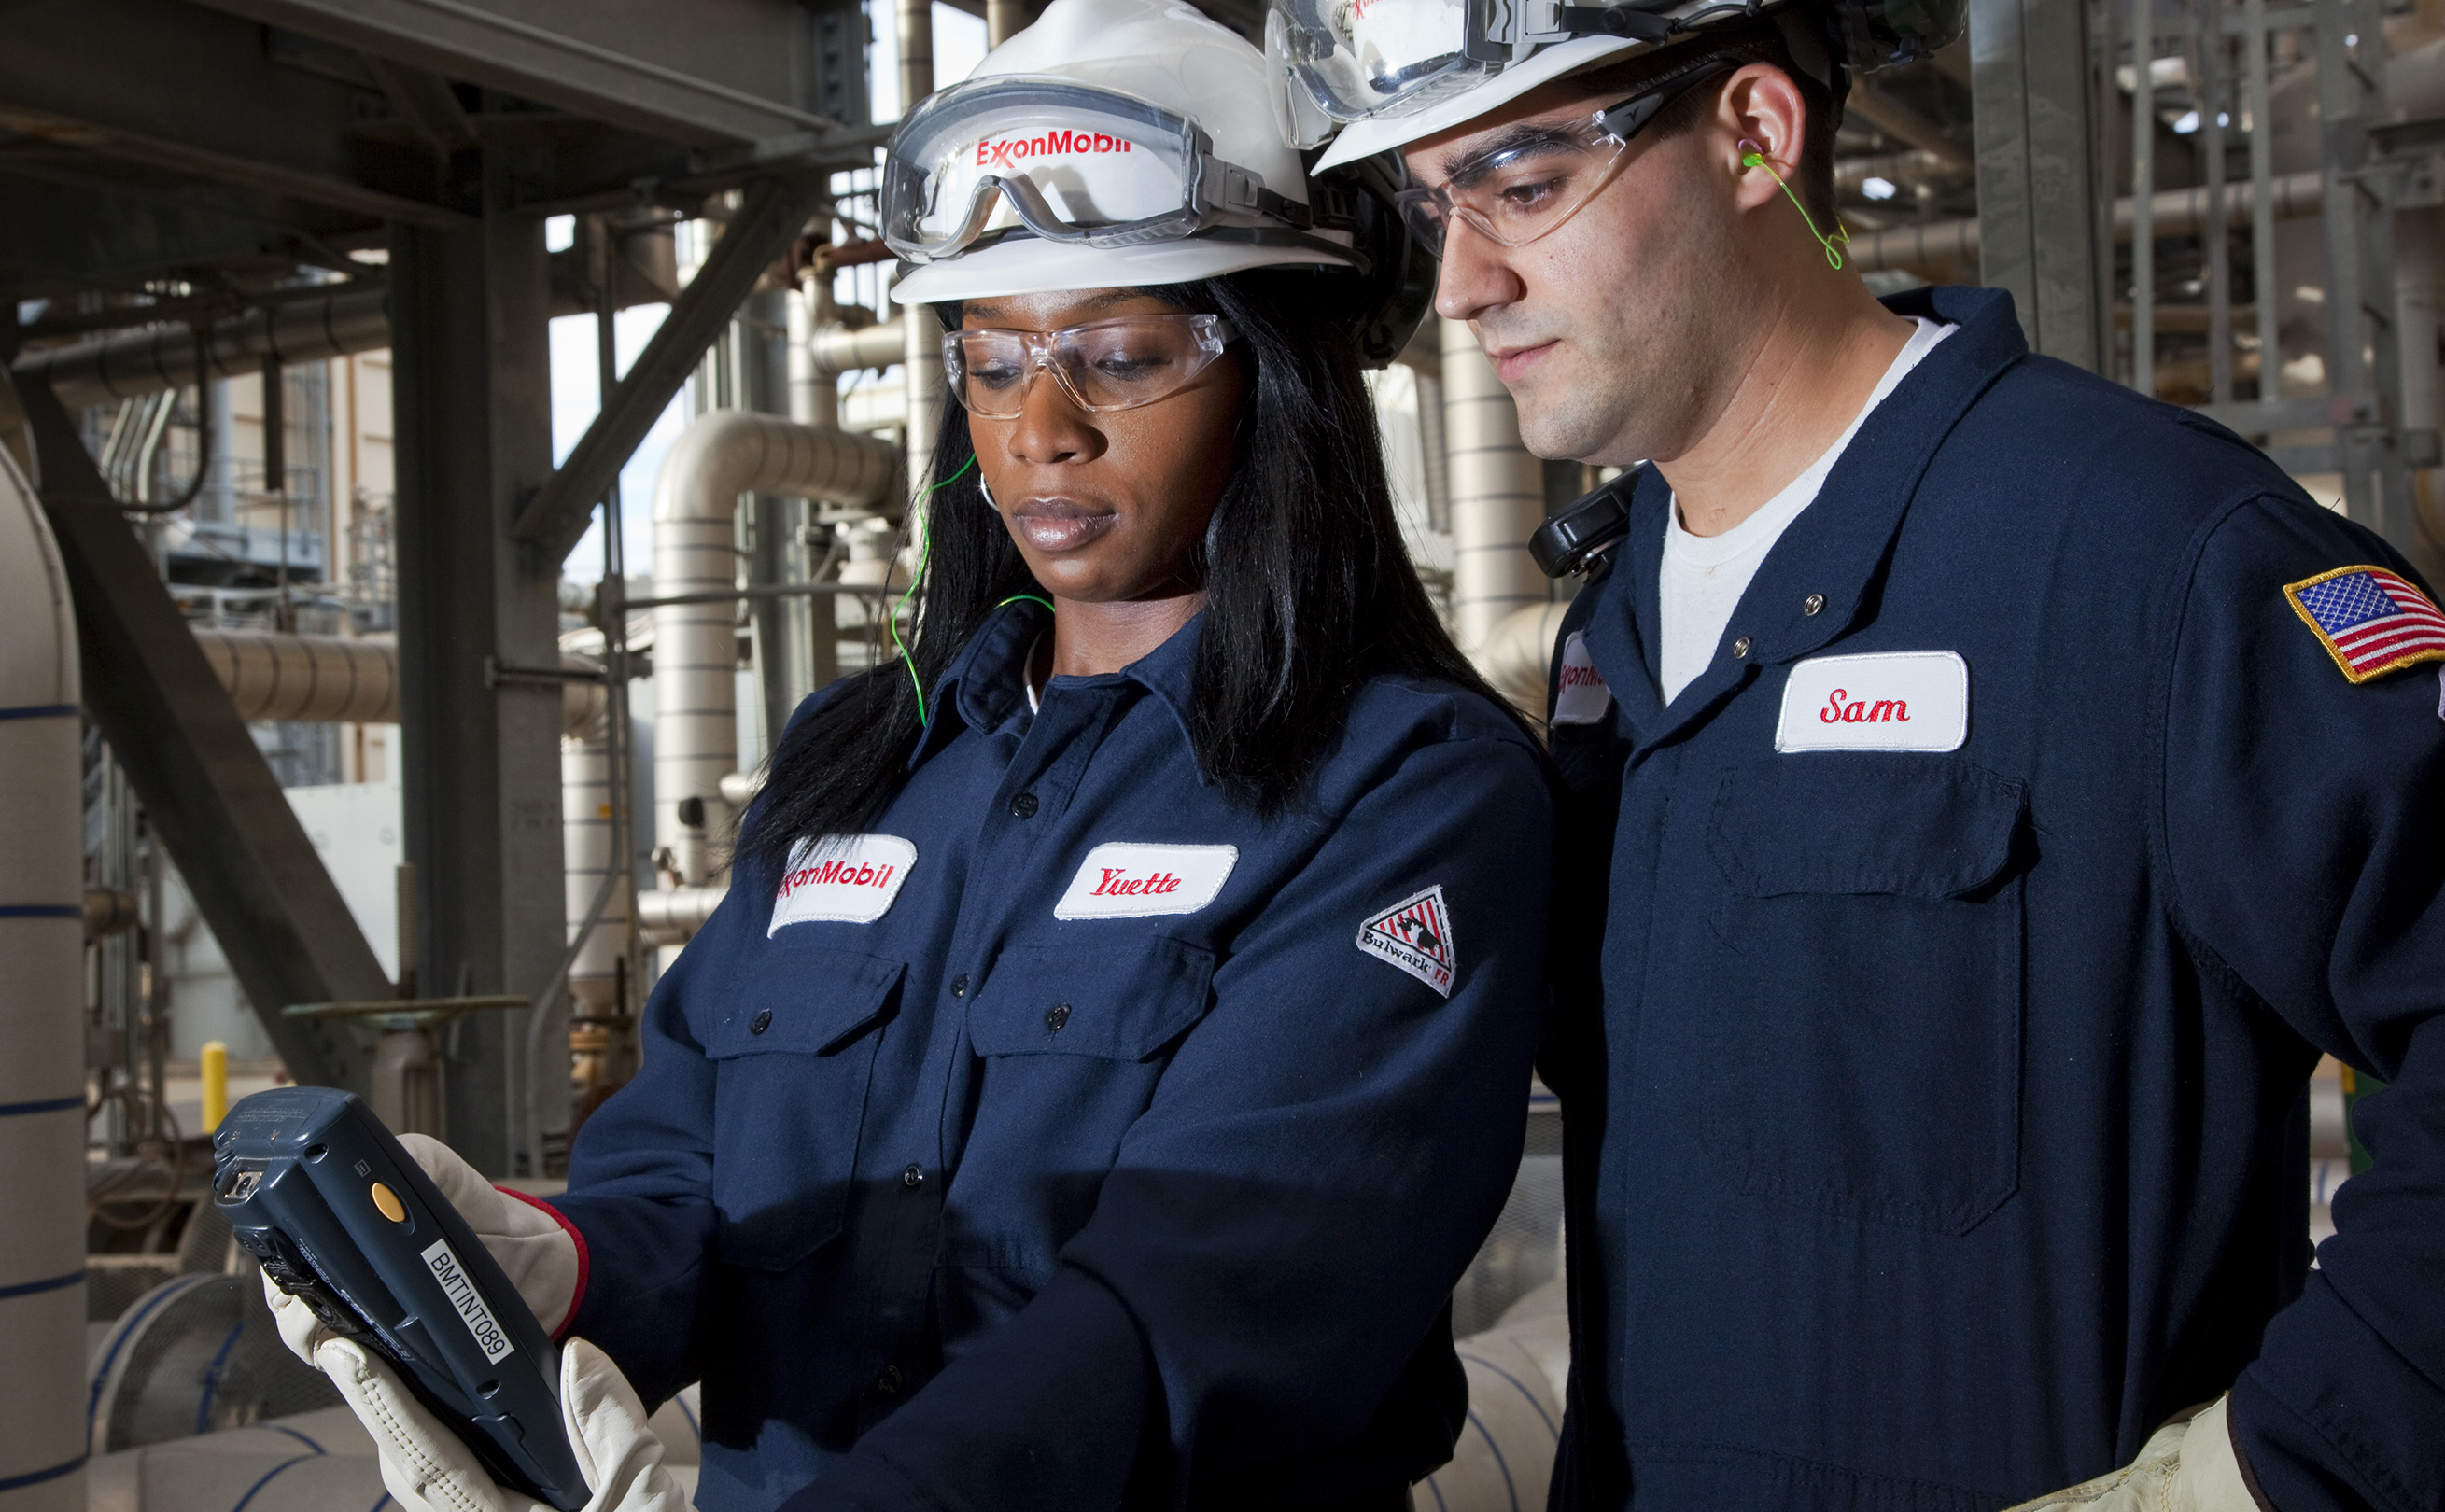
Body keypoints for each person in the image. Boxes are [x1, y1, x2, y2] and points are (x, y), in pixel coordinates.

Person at [269, 3, 1555, 1509]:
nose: (1040, 431)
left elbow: (1197, 1302)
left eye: (1121, 356)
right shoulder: (859, 762)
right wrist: (550, 1270)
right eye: (993, 359)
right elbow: (693, 1170)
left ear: (1279, 372)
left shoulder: (1405, 791)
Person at [1271, 0, 2445, 1508]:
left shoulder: (2153, 559)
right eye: (1436, 208)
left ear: (1757, 134)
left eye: (1524, 184)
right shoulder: (1609, 640)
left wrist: (2283, 1468)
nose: (1466, 284)